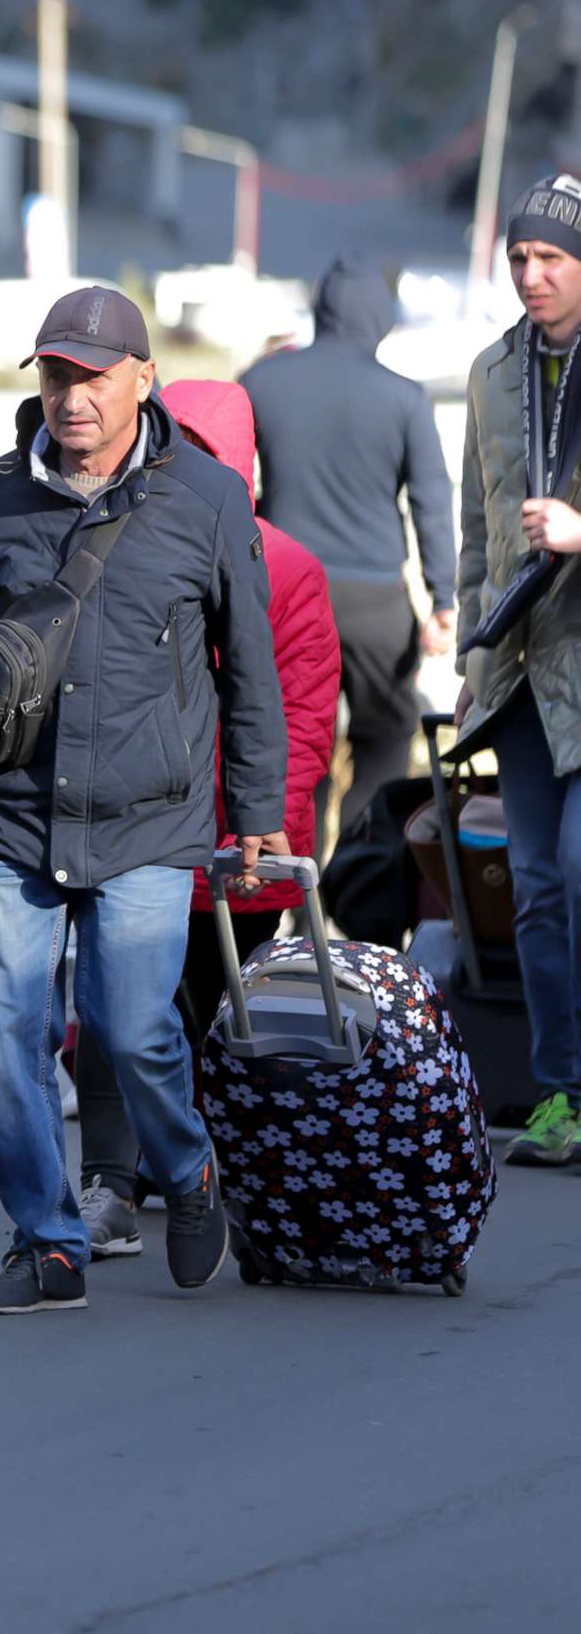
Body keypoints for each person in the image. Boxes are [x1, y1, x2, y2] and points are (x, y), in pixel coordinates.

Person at [0, 287, 289, 1316]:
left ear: (142, 380)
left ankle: (189, 1167)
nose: (70, 397)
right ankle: (49, 1243)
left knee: (131, 1024)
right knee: (12, 1032)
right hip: (19, 816)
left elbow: (248, 672)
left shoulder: (205, 499)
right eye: (55, 375)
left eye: (92, 376)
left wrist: (256, 813)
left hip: (152, 815)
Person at [73, 379, 339, 1257]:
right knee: (117, 1012)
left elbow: (300, 714)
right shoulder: (106, 541)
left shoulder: (288, 568)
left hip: (235, 842)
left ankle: (238, 1176)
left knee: (235, 1025)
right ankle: (111, 1181)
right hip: (137, 829)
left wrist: (271, 826)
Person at [240, 257, 454, 835]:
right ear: (381, 318)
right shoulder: (405, 398)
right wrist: (443, 599)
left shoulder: (262, 381)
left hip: (280, 597)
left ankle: (287, 894)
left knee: (290, 747)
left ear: (320, 308)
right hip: (376, 603)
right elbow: (431, 502)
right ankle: (360, 886)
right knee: (384, 744)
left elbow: (224, 474)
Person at [456, 174, 581, 1167]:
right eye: (520, 260)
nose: (532, 277)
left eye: (552, 259)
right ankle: (561, 1093)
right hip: (522, 671)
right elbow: (473, 532)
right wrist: (469, 651)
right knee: (535, 883)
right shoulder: (490, 373)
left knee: (580, 871)